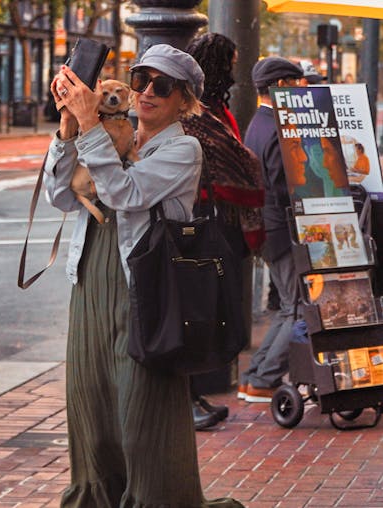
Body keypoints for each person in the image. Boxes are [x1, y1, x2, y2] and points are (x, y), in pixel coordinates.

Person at [44, 43, 243, 507]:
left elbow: (123, 192)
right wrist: (67, 127)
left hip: (149, 288)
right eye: (140, 81)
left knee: (142, 411)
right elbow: (60, 195)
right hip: (91, 275)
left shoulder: (183, 149)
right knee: (91, 403)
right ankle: (97, 496)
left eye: (163, 86)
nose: (147, 92)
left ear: (184, 100)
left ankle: (157, 498)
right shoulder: (114, 135)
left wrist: (90, 126)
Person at [182, 33, 265, 430]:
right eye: (230, 62)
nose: (235, 71)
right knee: (198, 311)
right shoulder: (195, 113)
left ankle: (193, 394)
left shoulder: (214, 108)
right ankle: (187, 397)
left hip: (219, 222)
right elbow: (233, 161)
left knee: (215, 312)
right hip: (202, 223)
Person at [239, 57, 305, 403]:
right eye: (295, 85)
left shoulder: (258, 122)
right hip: (280, 228)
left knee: (286, 306)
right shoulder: (277, 127)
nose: (299, 91)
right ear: (280, 87)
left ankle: (254, 377)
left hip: (266, 228)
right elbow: (283, 186)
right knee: (297, 306)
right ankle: (264, 378)